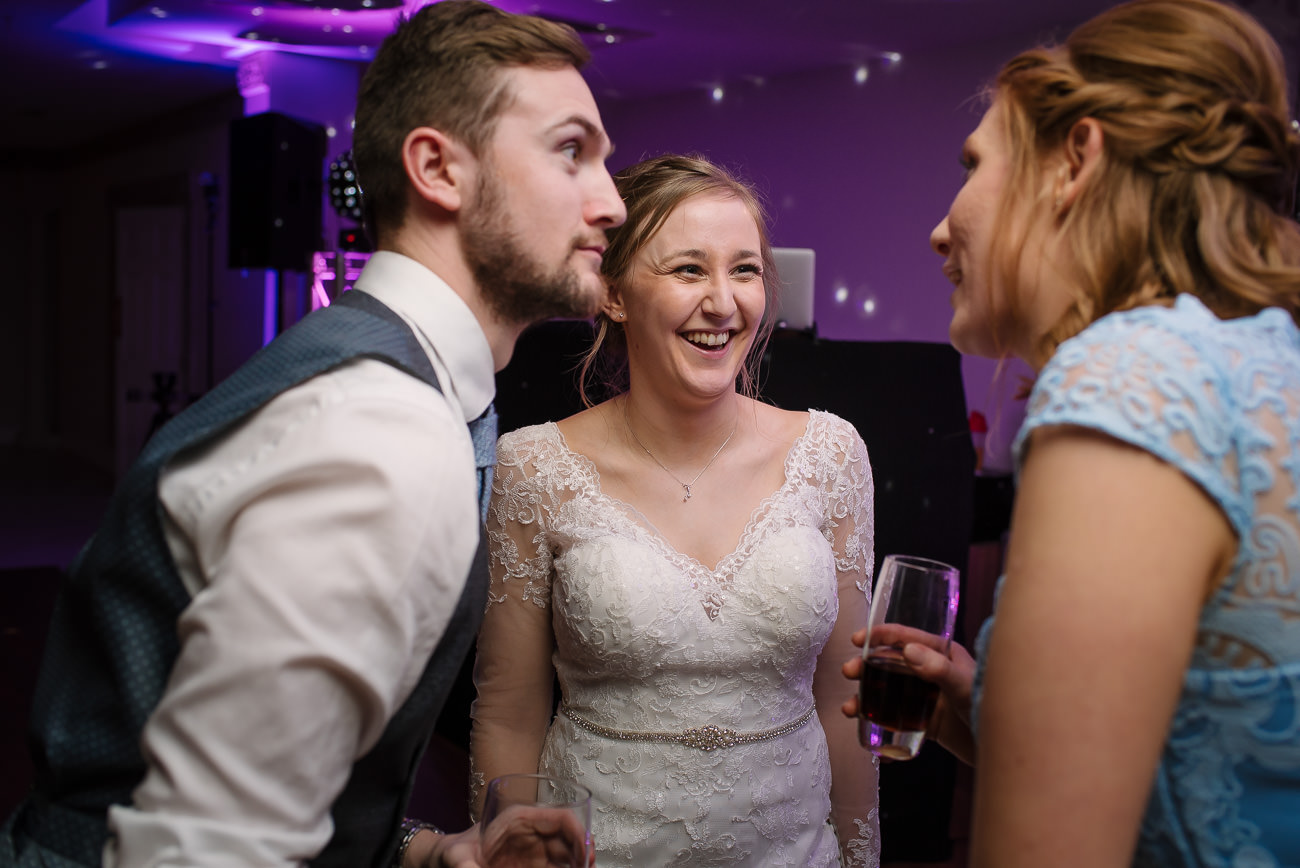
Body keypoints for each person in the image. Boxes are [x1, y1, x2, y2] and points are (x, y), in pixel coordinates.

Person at [0, 2, 623, 867]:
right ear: (438, 169)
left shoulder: (386, 380)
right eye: (572, 151)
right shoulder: (382, 433)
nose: (613, 202)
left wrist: (420, 853)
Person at [842, 0, 1300, 865]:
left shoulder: (1125, 378)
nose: (941, 229)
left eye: (973, 163)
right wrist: (988, 711)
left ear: (1076, 160)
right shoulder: (1263, 355)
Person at [470, 153, 881, 867]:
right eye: (689, 270)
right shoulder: (535, 468)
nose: (724, 302)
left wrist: (860, 854)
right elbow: (509, 715)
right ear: (615, 293)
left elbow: (847, 710)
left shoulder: (832, 454)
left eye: (745, 270)